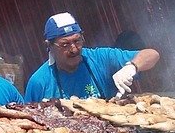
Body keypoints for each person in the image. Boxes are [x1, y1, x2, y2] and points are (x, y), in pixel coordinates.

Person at [24, 12, 160, 101]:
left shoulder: (101, 58)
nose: (74, 49)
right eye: (65, 44)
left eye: (77, 41)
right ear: (49, 46)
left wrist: (132, 67)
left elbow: (152, 54)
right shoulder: (39, 82)